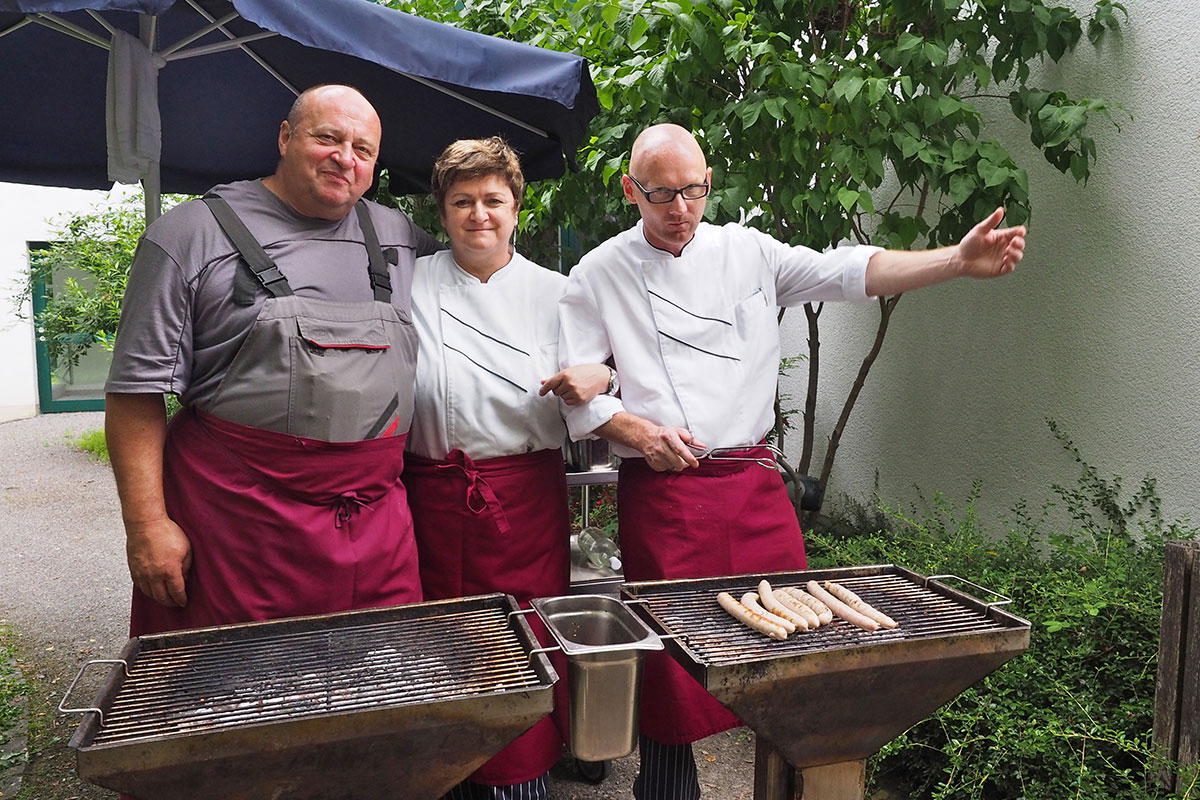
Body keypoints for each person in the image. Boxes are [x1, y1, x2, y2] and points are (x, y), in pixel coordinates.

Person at [556, 123, 1027, 800]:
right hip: (666, 494)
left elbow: (850, 271)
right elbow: (579, 396)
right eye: (661, 194)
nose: (680, 208)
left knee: (792, 655)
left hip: (752, 487)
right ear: (632, 191)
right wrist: (638, 430)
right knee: (671, 668)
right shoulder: (598, 273)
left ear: (708, 182)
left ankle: (786, 786)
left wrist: (954, 260)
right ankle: (666, 790)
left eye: (692, 190)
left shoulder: (748, 251)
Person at [104, 84, 442, 640]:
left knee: (377, 674)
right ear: (286, 137)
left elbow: (478, 286)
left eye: (363, 149)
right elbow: (135, 392)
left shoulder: (401, 238)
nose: (345, 158)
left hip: (376, 527)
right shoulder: (187, 236)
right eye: (328, 138)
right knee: (236, 681)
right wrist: (146, 525)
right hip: (238, 529)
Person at [402, 137, 610, 800]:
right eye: (462, 201)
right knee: (442, 640)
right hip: (432, 495)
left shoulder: (559, 292)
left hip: (523, 500)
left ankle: (522, 778)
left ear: (517, 208)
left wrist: (603, 373)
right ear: (442, 212)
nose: (479, 214)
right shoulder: (410, 283)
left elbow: (609, 368)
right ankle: (451, 776)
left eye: (493, 199)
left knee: (524, 640)